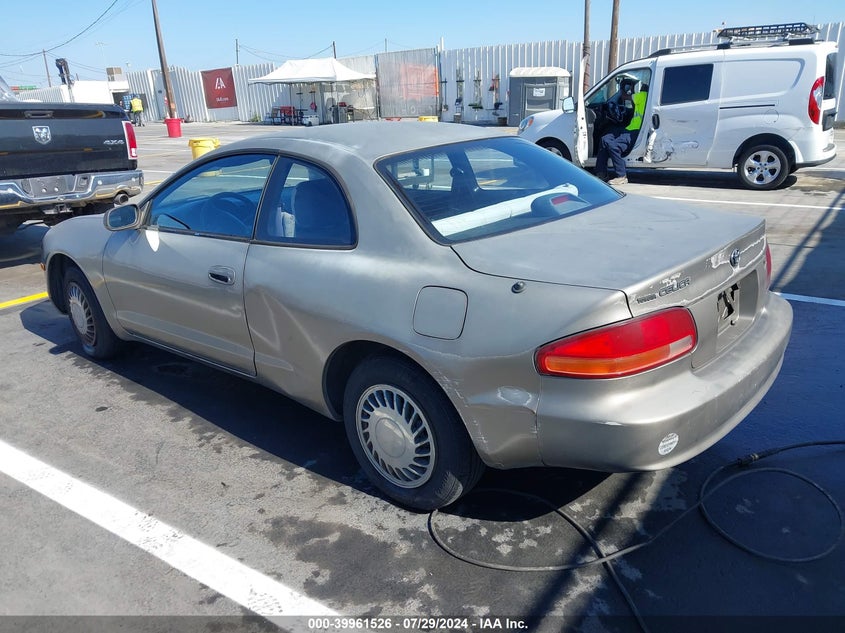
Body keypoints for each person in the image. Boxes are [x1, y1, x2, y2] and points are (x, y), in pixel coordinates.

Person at [595, 77, 647, 185]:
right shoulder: (641, 98)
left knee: (614, 146)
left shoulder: (643, 96)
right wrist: (631, 89)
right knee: (605, 139)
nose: (641, 87)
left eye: (642, 85)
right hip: (628, 128)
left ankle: (621, 176)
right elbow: (633, 105)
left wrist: (625, 87)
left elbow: (624, 96)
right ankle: (601, 173)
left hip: (635, 131)